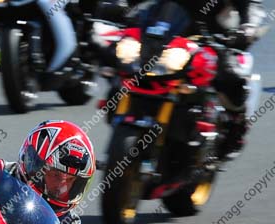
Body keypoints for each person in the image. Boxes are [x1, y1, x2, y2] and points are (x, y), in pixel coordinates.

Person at [103, 0, 266, 157]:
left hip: (212, 38)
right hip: (163, 37)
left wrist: (248, 26)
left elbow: (250, 6)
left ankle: (236, 128)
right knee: (116, 55)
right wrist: (119, 5)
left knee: (232, 77)